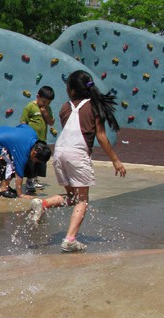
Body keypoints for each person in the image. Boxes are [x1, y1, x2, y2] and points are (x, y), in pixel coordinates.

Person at [29, 70, 126, 252]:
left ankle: (43, 204)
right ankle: (70, 239)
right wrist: (115, 160)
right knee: (82, 200)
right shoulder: (94, 107)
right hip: (77, 154)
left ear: (71, 90)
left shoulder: (65, 107)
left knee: (73, 198)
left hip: (59, 153)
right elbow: (101, 136)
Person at [0, 124, 51, 199]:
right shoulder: (23, 151)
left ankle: (4, 186)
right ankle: (2, 189)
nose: (35, 162)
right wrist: (20, 194)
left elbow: (23, 125)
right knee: (11, 164)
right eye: (36, 160)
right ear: (34, 153)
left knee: (11, 161)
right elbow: (19, 174)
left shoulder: (33, 134)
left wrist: (13, 138)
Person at [20, 86, 56, 193]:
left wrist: (45, 113)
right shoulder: (30, 106)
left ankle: (35, 179)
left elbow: (51, 122)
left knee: (40, 160)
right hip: (31, 139)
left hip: (42, 139)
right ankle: (29, 180)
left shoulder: (47, 109)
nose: (45, 104)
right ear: (37, 97)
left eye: (48, 103)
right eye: (43, 102)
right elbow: (23, 122)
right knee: (31, 160)